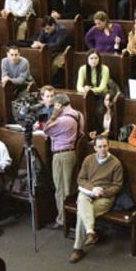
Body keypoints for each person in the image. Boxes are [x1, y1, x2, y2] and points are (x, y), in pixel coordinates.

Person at [69, 135, 123, 263]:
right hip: (88, 192)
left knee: (81, 213)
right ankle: (90, 232)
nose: (103, 149)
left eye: (105, 146)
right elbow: (80, 179)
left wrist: (102, 192)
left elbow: (117, 186)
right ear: (94, 148)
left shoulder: (116, 163)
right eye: (99, 147)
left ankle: (78, 248)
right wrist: (93, 189)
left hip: (105, 197)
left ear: (108, 146)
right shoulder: (89, 159)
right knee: (82, 201)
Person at [44, 93, 84, 229]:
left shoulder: (62, 120)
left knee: (61, 189)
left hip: (61, 156)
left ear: (59, 105)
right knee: (71, 187)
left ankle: (62, 220)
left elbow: (46, 130)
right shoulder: (78, 115)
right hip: (72, 153)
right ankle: (72, 219)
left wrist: (54, 115)